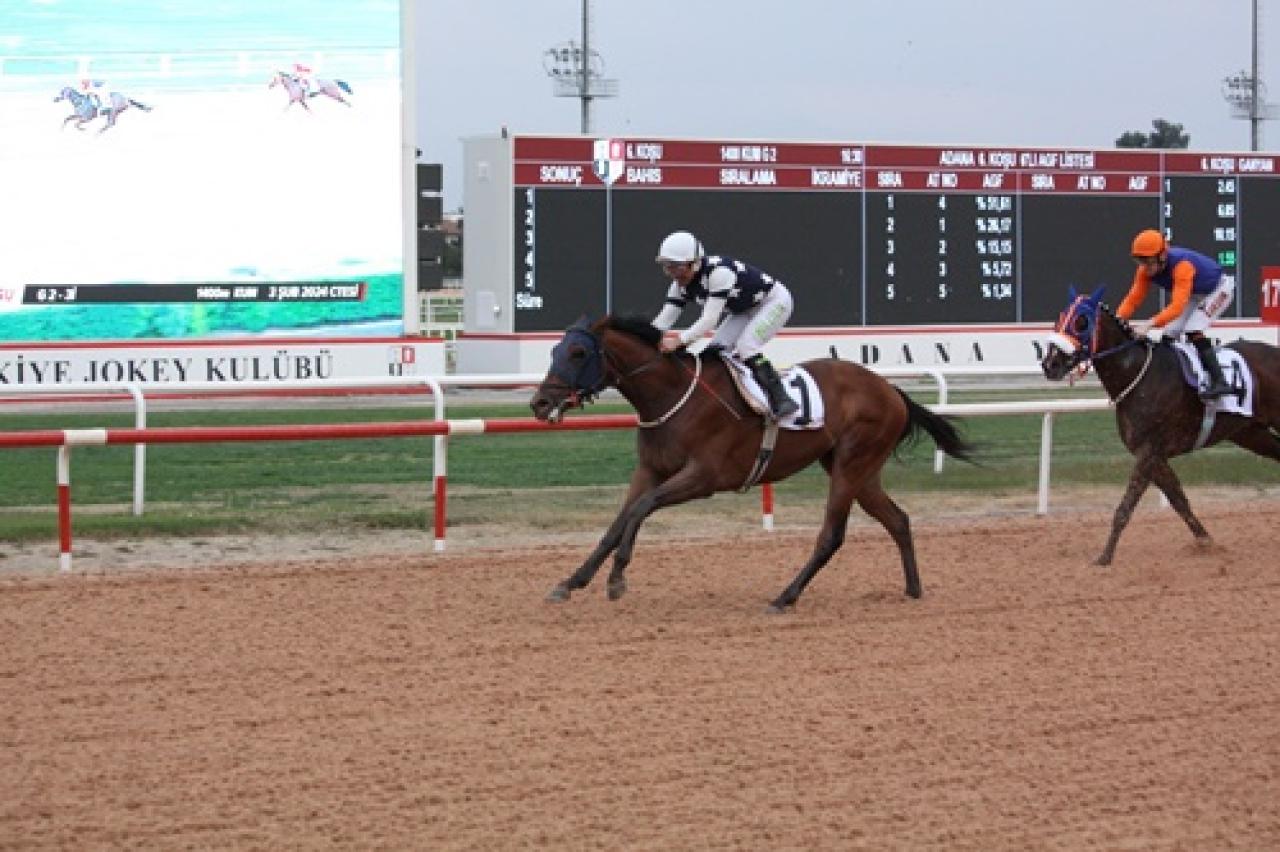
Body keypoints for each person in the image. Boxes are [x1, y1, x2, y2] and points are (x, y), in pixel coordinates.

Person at [651, 230, 799, 418]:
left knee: (747, 347)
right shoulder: (678, 286)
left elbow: (710, 320)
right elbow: (665, 319)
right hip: (744, 309)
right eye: (667, 267)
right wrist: (647, 338)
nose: (673, 274)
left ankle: (781, 398)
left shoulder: (719, 273)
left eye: (678, 267)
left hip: (773, 302)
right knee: (714, 352)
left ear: (695, 263)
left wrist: (679, 340)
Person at [1117, 228, 1235, 399]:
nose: (1145, 268)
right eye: (1140, 261)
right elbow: (1134, 298)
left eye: (1148, 261)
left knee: (1193, 328)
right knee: (1169, 335)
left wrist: (1149, 324)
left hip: (1218, 289)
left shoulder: (1182, 266)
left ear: (1162, 256)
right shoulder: (1144, 270)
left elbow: (1177, 307)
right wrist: (1119, 318)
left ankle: (1220, 381)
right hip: (1195, 293)